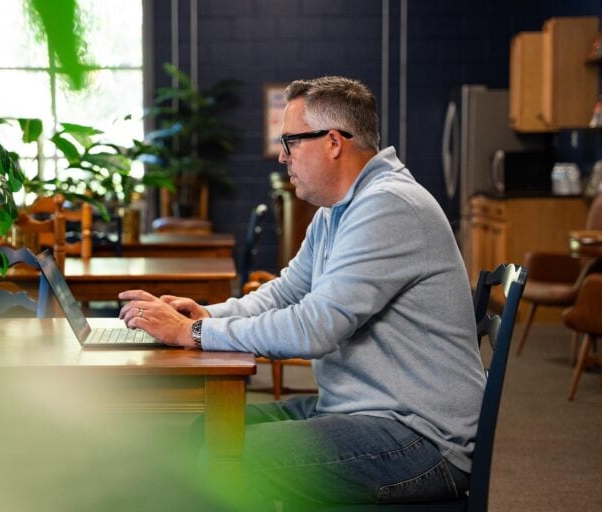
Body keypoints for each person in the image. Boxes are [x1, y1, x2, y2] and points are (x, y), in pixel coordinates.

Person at [119, 76, 485, 507]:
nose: (281, 156)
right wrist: (207, 316)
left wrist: (193, 336)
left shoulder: (389, 207)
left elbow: (314, 328)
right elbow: (286, 292)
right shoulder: (339, 210)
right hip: (362, 410)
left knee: (233, 460)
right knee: (209, 431)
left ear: (333, 142)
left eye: (290, 142)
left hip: (420, 437)